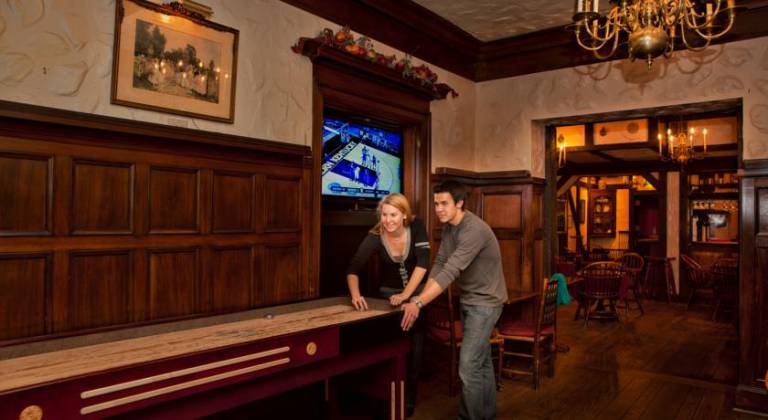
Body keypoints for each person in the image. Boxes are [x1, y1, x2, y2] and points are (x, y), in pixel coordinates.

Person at [401, 180, 507, 420]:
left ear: (459, 203)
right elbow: (440, 263)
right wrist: (421, 298)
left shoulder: (473, 230)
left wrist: (418, 303)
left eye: (444, 203)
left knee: (468, 365)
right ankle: (487, 415)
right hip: (469, 300)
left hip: (486, 303)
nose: (438, 209)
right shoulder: (450, 226)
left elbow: (451, 271)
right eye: (436, 203)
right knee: (481, 363)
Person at [346, 192, 430, 415]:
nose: (388, 220)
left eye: (393, 215)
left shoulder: (417, 226)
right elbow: (353, 268)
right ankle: (385, 394)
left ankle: (409, 396)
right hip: (388, 296)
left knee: (415, 348)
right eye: (384, 215)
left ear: (404, 215)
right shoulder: (376, 235)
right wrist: (356, 294)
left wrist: (406, 296)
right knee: (391, 345)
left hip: (417, 295)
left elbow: (423, 264)